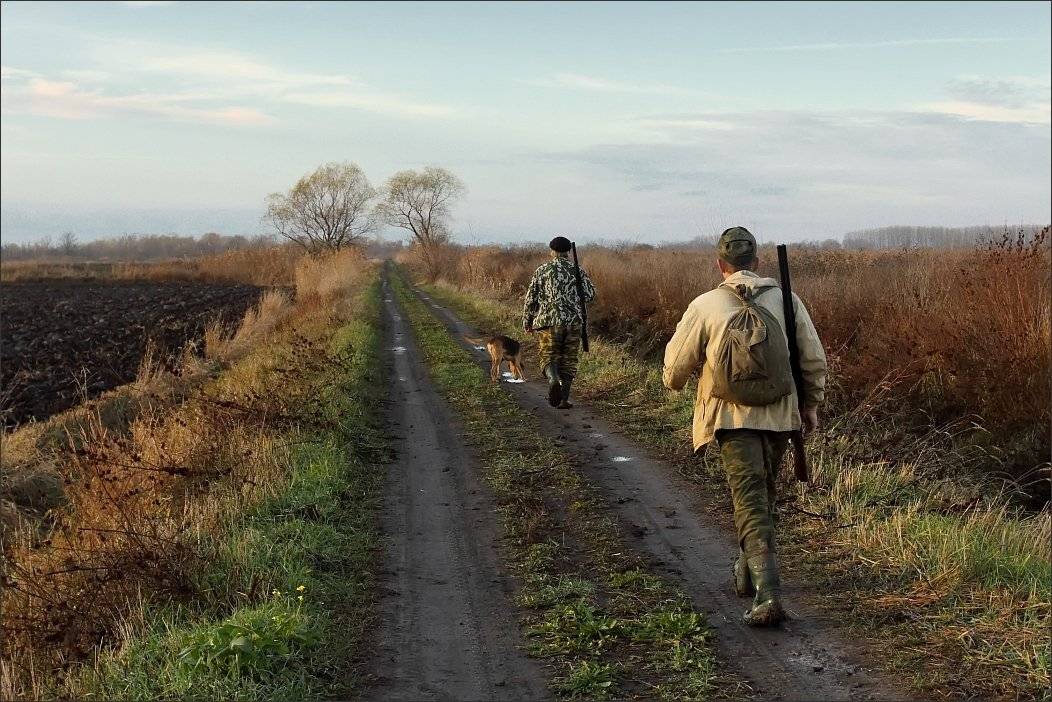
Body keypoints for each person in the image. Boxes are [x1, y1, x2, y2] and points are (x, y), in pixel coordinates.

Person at [662, 226, 827, 626]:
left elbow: (675, 370)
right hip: (779, 415)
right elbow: (812, 359)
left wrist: (676, 380)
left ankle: (767, 594)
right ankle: (747, 570)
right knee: (763, 494)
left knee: (750, 498)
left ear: (721, 265)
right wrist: (811, 405)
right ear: (757, 263)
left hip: (730, 418)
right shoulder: (787, 299)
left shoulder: (706, 304)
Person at [522, 236, 596, 409]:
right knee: (569, 360)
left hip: (548, 323)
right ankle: (563, 399)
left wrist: (527, 321)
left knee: (548, 356)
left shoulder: (542, 270)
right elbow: (591, 295)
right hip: (573, 323)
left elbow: (530, 298)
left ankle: (553, 379)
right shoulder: (577, 270)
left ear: (552, 251)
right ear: (568, 252)